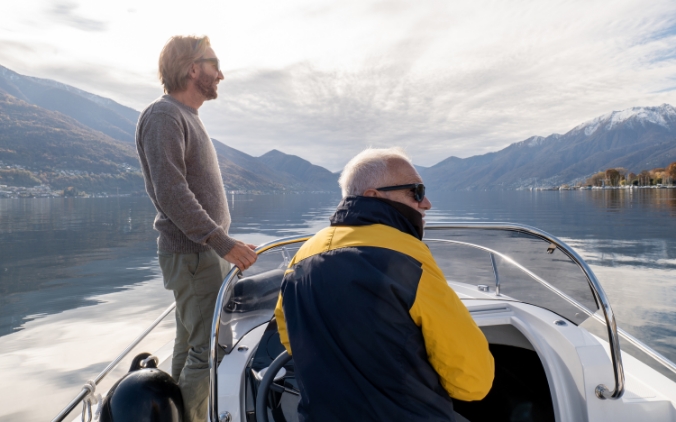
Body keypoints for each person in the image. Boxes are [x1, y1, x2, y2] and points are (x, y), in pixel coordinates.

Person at [274, 147, 494, 421]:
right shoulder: (408, 257)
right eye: (416, 192)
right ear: (372, 196)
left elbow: (290, 336)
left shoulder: (301, 255)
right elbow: (472, 381)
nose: (426, 203)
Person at [136, 35, 258, 422]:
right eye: (214, 65)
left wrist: (224, 243)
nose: (220, 74)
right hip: (194, 254)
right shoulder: (164, 116)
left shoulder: (184, 117)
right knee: (205, 353)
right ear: (193, 68)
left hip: (202, 252)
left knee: (191, 345)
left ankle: (172, 415)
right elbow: (172, 192)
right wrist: (221, 242)